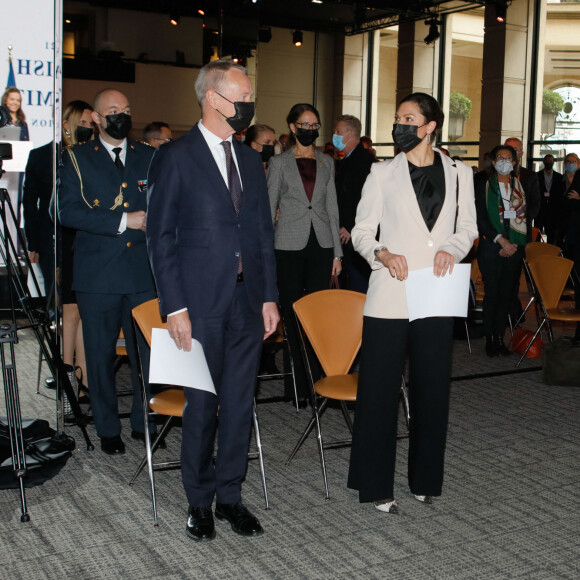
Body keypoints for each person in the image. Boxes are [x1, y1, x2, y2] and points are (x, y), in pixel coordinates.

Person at [146, 60, 279, 542]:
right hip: (198, 305)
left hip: (248, 302)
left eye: (250, 98)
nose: (247, 106)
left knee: (241, 404)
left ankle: (230, 497)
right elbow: (160, 239)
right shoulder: (175, 156)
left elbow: (262, 231)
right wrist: (174, 307)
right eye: (240, 97)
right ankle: (198, 502)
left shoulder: (249, 158)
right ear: (212, 98)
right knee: (202, 405)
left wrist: (269, 296)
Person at [347, 92, 477, 513]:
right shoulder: (381, 172)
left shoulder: (461, 172)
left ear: (430, 126)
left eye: (409, 118)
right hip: (389, 293)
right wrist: (382, 254)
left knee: (432, 390)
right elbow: (362, 231)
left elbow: (469, 227)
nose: (400, 124)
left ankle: (425, 480)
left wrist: (453, 250)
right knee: (379, 392)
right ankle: (375, 485)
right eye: (397, 117)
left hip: (437, 292)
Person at [58, 88, 157, 455]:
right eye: (113, 110)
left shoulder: (150, 156)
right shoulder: (77, 158)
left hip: (142, 274)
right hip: (98, 274)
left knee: (147, 353)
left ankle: (142, 419)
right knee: (99, 356)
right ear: (97, 118)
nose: (121, 115)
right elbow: (66, 211)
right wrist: (122, 220)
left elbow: (165, 201)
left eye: (126, 109)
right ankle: (107, 427)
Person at [267, 103, 342, 403]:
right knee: (293, 314)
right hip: (287, 246)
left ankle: (318, 383)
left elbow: (332, 208)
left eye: (315, 125)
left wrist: (337, 253)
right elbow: (268, 207)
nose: (310, 129)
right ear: (293, 127)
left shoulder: (327, 162)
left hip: (322, 245)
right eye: (305, 124)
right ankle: (297, 386)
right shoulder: (279, 164)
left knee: (317, 316)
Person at [24, 100, 94, 401]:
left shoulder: (93, 157)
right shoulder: (42, 156)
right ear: (67, 123)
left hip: (87, 241)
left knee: (83, 309)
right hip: (55, 243)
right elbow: (30, 204)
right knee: (67, 309)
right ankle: (67, 372)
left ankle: (83, 377)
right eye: (84, 123)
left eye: (93, 123)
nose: (89, 128)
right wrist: (33, 245)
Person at [475, 144, 528, 356]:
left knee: (507, 295)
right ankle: (490, 339)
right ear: (494, 162)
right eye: (500, 158)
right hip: (491, 247)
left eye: (509, 158)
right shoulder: (482, 184)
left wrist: (512, 243)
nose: (504, 161)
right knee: (493, 294)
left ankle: (500, 337)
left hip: (514, 248)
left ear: (514, 162)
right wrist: (500, 241)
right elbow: (479, 217)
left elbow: (524, 216)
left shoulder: (520, 186)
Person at [333, 114, 375, 293]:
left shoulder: (364, 162)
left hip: (355, 232)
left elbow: (364, 198)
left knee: (358, 284)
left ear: (350, 134)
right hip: (348, 230)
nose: (334, 135)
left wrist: (350, 226)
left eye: (338, 132)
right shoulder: (348, 160)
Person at [536, 153, 564, 244]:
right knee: (537, 235)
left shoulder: (559, 177)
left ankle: (550, 255)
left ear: (553, 162)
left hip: (553, 212)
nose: (549, 163)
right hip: (540, 210)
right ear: (544, 162)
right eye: (547, 161)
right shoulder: (537, 176)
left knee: (551, 235)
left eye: (550, 161)